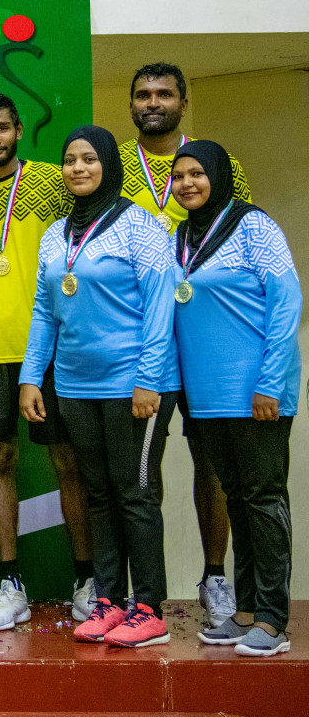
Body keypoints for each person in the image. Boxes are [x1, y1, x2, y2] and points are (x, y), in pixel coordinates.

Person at [20, 126, 178, 649]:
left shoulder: (141, 227)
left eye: (89, 159)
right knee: (100, 495)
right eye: (70, 161)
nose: (79, 168)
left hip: (135, 385)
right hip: (73, 386)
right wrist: (30, 377)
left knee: (135, 494)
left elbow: (159, 307)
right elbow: (45, 313)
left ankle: (150, 608)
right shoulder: (55, 233)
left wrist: (150, 380)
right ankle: (109, 602)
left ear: (108, 165)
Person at [120, 61, 252, 625]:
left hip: (205, 337)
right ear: (131, 104)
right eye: (144, 94)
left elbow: (240, 236)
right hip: (133, 341)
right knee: (137, 472)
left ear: (184, 101)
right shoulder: (113, 162)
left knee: (213, 461)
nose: (154, 102)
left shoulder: (220, 164)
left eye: (165, 93)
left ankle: (216, 577)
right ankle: (134, 591)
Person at [0, 93, 83, 630]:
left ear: (19, 129)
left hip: (51, 352)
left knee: (70, 464)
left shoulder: (53, 183)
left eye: (3, 128)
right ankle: (10, 582)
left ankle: (87, 578)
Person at [171, 140, 300, 658]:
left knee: (265, 502)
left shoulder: (254, 226)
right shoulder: (181, 236)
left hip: (257, 393)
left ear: (220, 177)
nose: (187, 183)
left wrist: (270, 381)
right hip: (207, 398)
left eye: (197, 173)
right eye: (179, 176)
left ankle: (273, 620)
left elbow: (287, 301)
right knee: (240, 502)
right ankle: (245, 610)